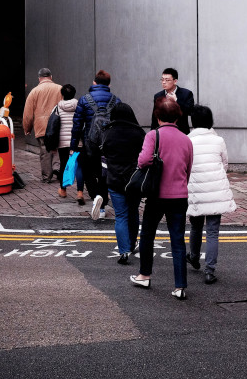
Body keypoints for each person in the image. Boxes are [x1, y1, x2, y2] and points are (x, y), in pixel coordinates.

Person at [131, 95, 193, 299]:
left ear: (158, 117)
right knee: (177, 239)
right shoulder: (186, 139)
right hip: (179, 195)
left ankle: (144, 275)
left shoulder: (153, 136)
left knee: (148, 234)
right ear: (177, 117)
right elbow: (188, 168)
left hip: (157, 194)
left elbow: (143, 161)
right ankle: (180, 286)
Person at [186, 105, 236, 284]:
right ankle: (209, 271)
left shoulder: (187, 140)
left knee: (196, 227)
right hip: (216, 191)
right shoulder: (219, 140)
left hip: (196, 190)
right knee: (213, 232)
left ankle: (193, 257)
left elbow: (185, 166)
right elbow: (225, 164)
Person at [70, 69, 120, 220]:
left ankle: (95, 196)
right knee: (104, 173)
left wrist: (73, 145)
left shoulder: (84, 99)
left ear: (94, 82)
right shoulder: (115, 100)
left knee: (86, 171)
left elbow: (77, 124)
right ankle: (102, 205)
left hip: (89, 143)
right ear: (109, 84)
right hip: (108, 144)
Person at [101, 103, 145, 265]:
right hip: (134, 180)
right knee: (133, 212)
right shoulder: (138, 132)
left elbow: (103, 152)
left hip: (114, 179)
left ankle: (124, 251)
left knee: (120, 215)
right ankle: (133, 244)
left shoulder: (108, 132)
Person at [22, 68, 62, 181]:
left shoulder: (34, 91)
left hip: (42, 126)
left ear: (39, 78)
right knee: (58, 147)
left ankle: (46, 176)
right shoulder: (60, 88)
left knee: (45, 151)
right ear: (51, 77)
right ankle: (57, 168)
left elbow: (28, 113)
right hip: (58, 123)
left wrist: (27, 128)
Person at [55, 84, 85, 203]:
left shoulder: (57, 107)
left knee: (63, 164)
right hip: (77, 140)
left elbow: (54, 124)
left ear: (62, 94)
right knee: (79, 165)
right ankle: (80, 192)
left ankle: (63, 190)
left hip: (62, 140)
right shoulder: (79, 106)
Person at [151, 67, 194, 134]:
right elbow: (154, 118)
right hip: (162, 133)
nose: (164, 82)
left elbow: (190, 112)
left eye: (167, 80)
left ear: (175, 81)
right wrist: (153, 133)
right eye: (162, 80)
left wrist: (176, 101)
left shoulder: (186, 93)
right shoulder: (158, 96)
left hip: (181, 132)